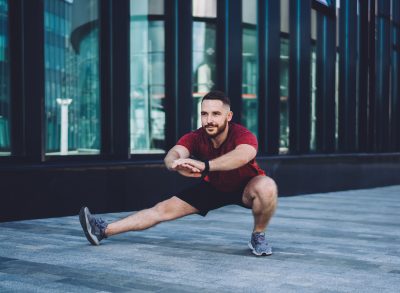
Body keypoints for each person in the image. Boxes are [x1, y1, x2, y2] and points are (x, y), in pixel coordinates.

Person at [79, 90, 278, 256]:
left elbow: (243, 155)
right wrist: (175, 164)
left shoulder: (242, 134)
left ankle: (258, 236)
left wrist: (204, 166)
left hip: (245, 186)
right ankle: (102, 230)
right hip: (213, 187)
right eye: (204, 114)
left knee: (267, 186)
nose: (209, 120)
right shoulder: (196, 137)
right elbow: (173, 153)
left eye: (216, 114)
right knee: (161, 209)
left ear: (228, 116)